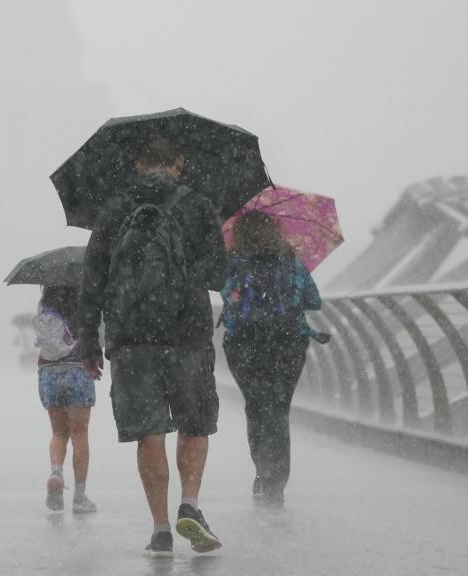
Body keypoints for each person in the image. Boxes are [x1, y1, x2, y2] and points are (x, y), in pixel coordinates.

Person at [77, 137, 227, 557]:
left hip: (131, 338)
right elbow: (218, 272)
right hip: (188, 334)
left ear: (138, 163)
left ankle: (160, 530)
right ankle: (190, 505)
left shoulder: (114, 209)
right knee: (195, 423)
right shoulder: (197, 204)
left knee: (149, 431)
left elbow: (91, 281)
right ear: (180, 162)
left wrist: (89, 342)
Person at [219, 210, 323, 508]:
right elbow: (314, 301)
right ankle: (276, 482)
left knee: (256, 407)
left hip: (244, 345)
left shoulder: (233, 262)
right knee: (278, 410)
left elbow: (228, 298)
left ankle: (262, 472)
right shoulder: (291, 261)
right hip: (288, 345)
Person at [34, 285, 98, 514]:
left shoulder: (44, 307)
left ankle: (56, 472)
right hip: (77, 370)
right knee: (80, 434)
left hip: (48, 372)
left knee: (58, 433)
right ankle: (80, 497)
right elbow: (92, 335)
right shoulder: (84, 304)